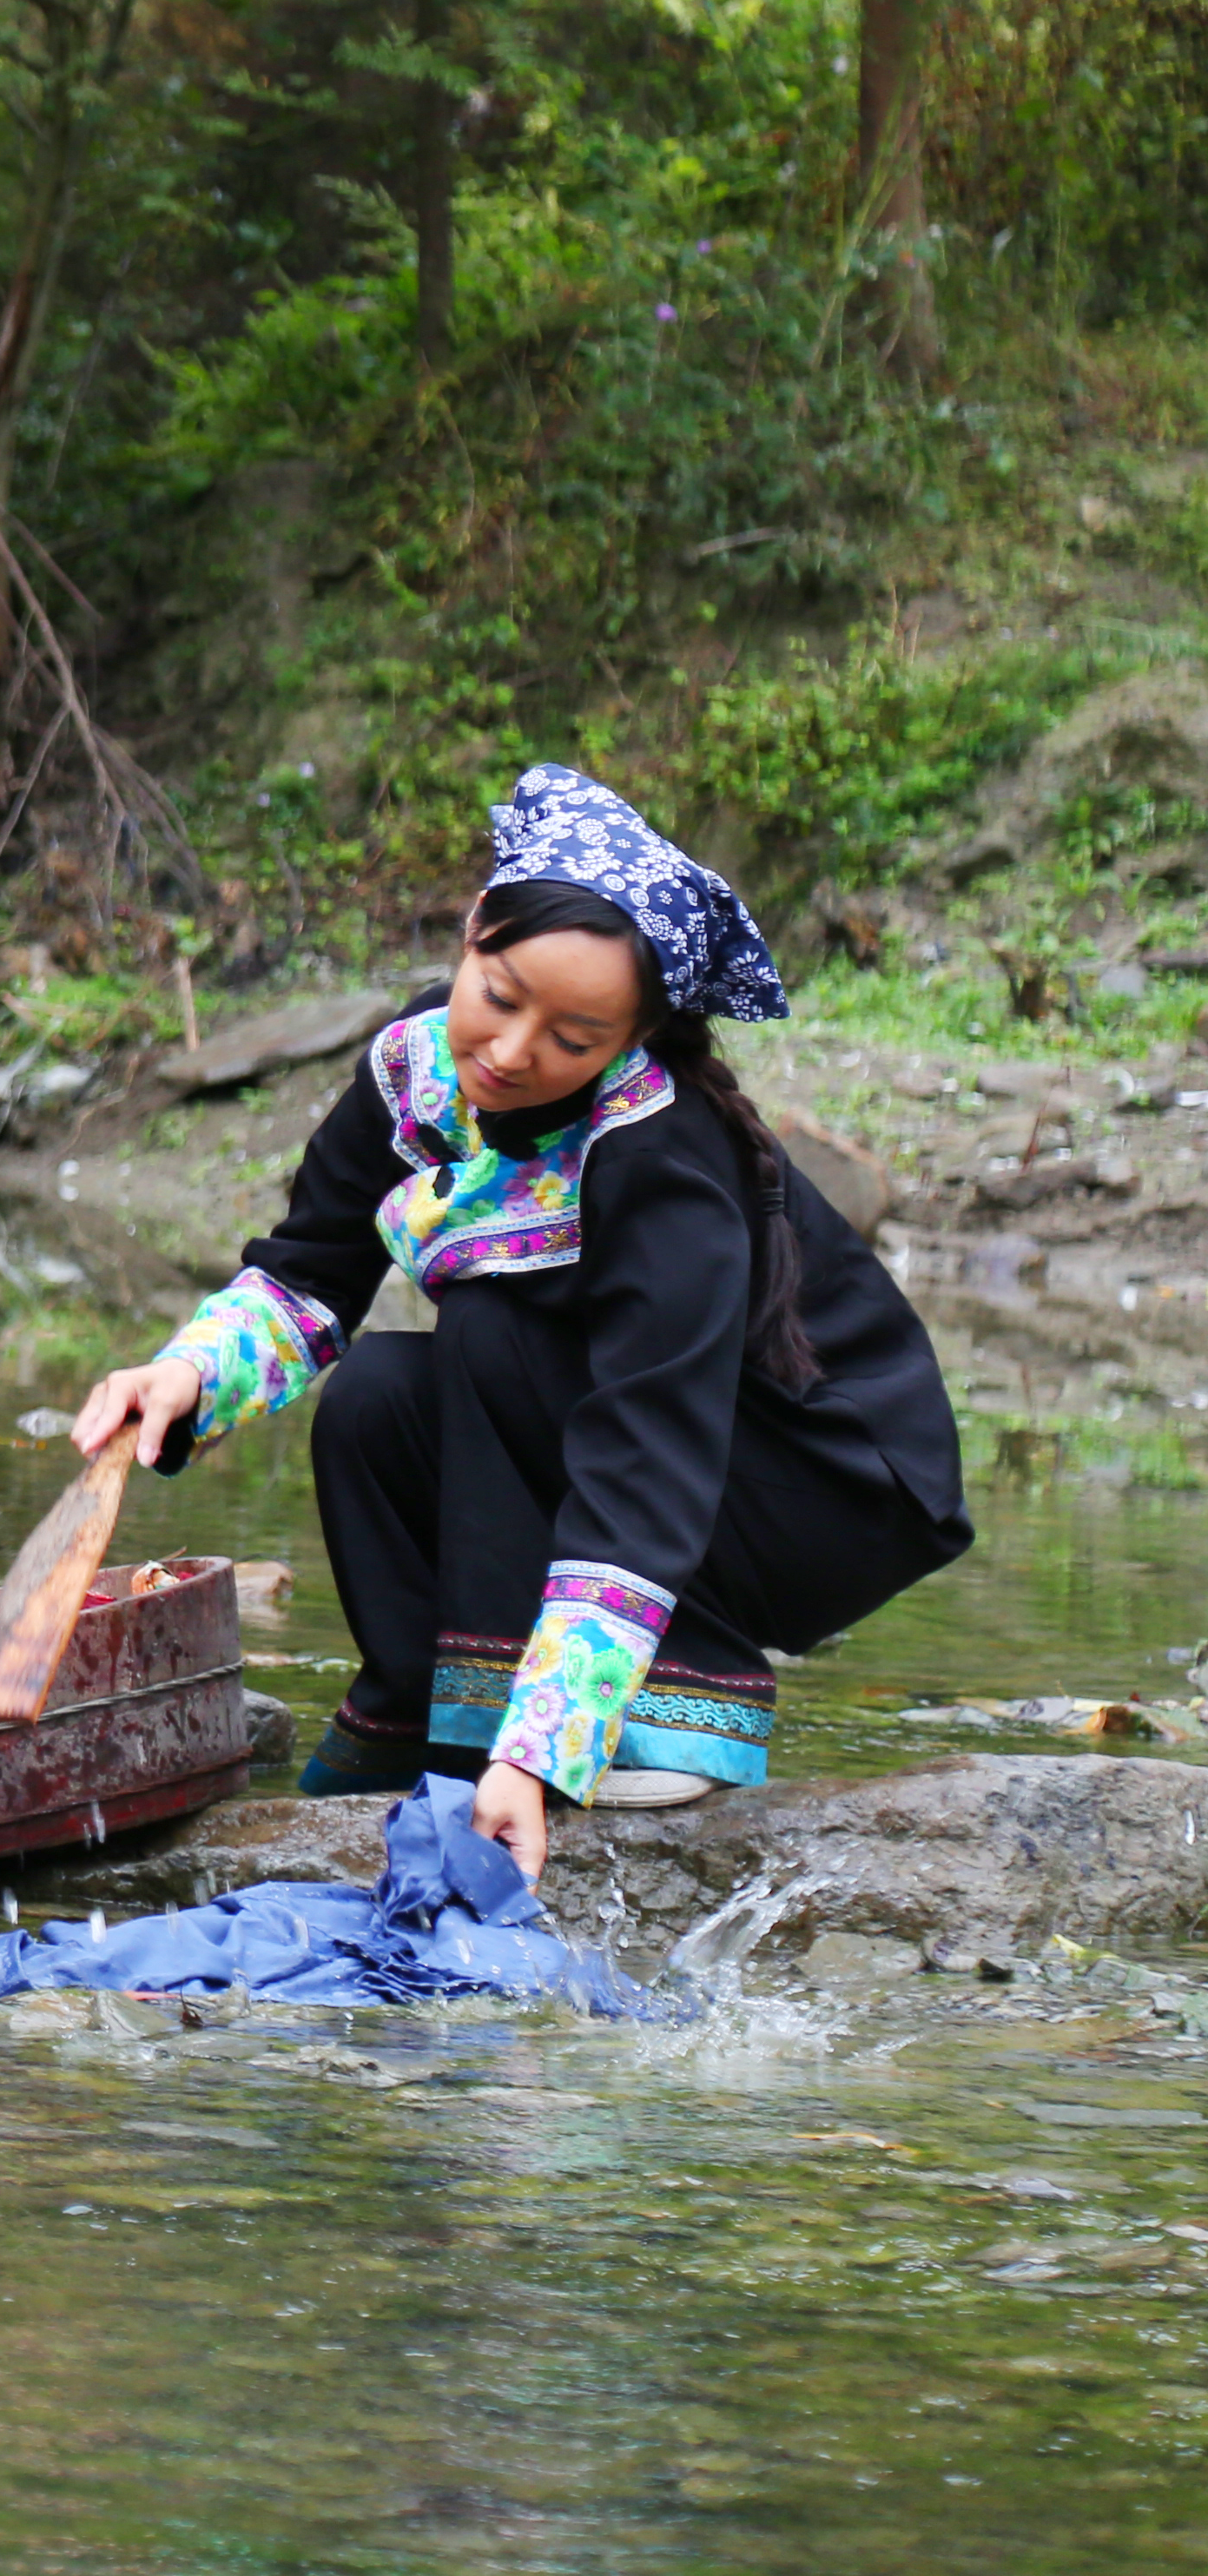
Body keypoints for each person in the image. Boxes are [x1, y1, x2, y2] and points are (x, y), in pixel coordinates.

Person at [67, 766, 967, 1875]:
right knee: (378, 1398)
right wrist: (186, 1378)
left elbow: (646, 1460)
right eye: (499, 997)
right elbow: (309, 1276)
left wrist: (542, 1755)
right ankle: (425, 1709)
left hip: (816, 1486)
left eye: (572, 1039)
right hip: (653, 1439)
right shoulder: (417, 1072)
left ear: (633, 1038)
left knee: (489, 1332)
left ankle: (653, 1715)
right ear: (473, 934)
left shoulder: (660, 1162)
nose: (508, 1051)